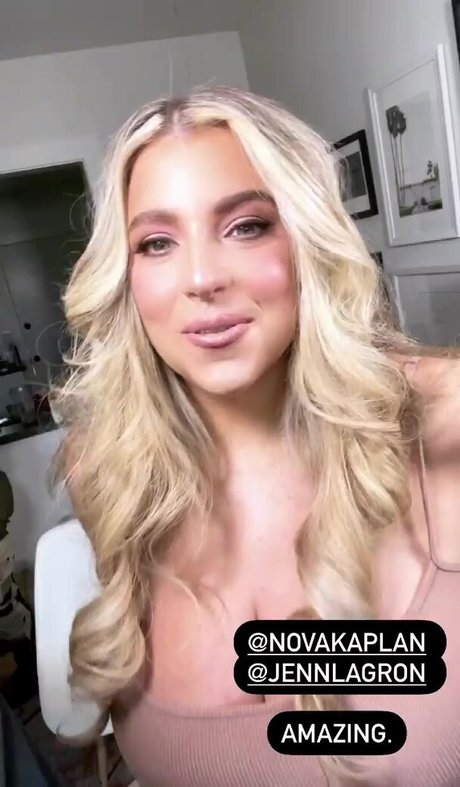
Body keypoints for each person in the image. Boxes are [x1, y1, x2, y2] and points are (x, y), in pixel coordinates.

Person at [50, 85, 460, 787]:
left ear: (306, 238)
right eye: (157, 243)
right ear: (126, 278)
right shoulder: (107, 472)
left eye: (246, 226)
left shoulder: (444, 424)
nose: (202, 278)